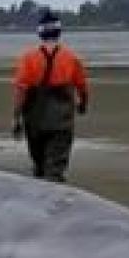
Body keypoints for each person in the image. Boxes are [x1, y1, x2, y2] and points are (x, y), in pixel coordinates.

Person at [11, 9, 89, 182]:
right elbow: (82, 86)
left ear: (40, 33)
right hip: (61, 120)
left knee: (39, 165)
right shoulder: (71, 58)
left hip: (34, 120)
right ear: (59, 32)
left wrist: (16, 118)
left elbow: (21, 90)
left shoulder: (28, 58)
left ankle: (40, 194)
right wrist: (83, 104)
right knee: (55, 169)